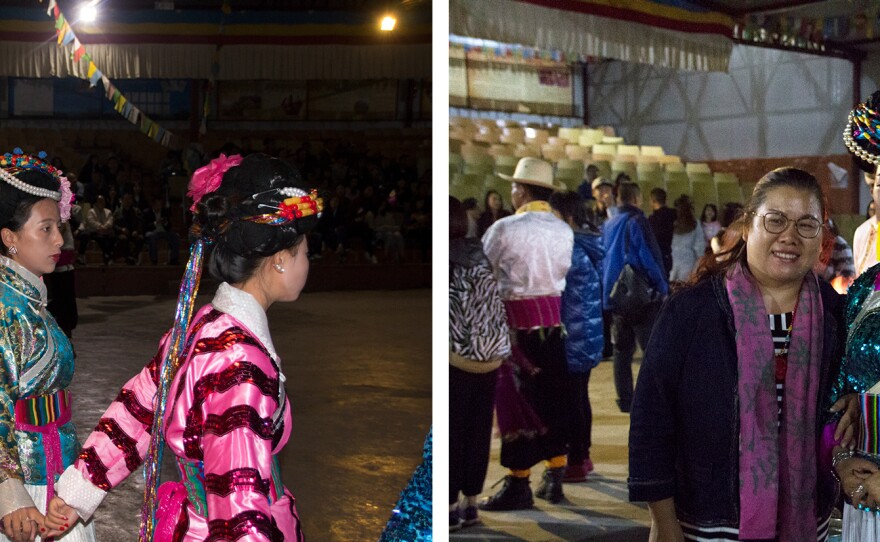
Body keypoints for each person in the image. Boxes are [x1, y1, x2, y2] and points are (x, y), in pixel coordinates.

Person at [46, 153, 321, 539]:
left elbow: (139, 409)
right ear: (278, 260)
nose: (308, 262)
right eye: (305, 251)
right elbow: (238, 502)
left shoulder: (202, 326)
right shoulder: (241, 363)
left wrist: (79, 490)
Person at [629, 167, 857, 541]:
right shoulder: (692, 311)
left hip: (806, 525)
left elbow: (859, 392)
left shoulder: (837, 316)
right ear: (749, 225)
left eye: (806, 225)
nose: (789, 236)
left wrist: (858, 401)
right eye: (775, 220)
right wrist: (663, 520)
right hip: (706, 525)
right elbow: (652, 421)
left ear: (822, 239)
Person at [0, 148, 95, 541]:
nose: (59, 239)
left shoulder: (32, 301)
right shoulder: (5, 308)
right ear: (10, 238)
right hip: (25, 492)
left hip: (59, 473)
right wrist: (8, 492)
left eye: (59, 227)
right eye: (46, 229)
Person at [479, 157, 573, 510]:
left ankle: (519, 482)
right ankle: (555, 475)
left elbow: (486, 270)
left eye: (513, 187)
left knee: (518, 404)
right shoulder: (563, 229)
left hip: (517, 329)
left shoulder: (505, 229)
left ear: (520, 190)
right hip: (554, 325)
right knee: (554, 399)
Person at [449, 196, 510, 531]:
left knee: (452, 434)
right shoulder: (479, 255)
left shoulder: (446, 259)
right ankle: (471, 505)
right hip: (488, 360)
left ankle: (448, 507)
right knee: (478, 433)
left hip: (456, 361)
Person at [548, 190, 604, 484]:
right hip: (588, 332)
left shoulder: (570, 248)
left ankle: (577, 460)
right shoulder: (588, 241)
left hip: (573, 334)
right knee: (580, 396)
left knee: (572, 400)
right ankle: (584, 455)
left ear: (566, 216)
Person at [602, 182, 668, 413]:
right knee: (651, 350)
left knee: (621, 351)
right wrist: (662, 287)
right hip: (639, 295)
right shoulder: (637, 221)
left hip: (615, 295)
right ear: (637, 199)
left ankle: (626, 400)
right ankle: (652, 400)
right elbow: (648, 257)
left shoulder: (608, 223)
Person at [669, 194, 706, 283]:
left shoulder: (669, 222)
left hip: (671, 262)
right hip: (688, 263)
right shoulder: (695, 223)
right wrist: (697, 268)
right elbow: (699, 248)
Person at [814, 218, 855, 294]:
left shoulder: (839, 244)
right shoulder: (814, 245)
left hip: (836, 293)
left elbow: (847, 276)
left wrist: (823, 269)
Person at [142, 197, 180, 266]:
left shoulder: (164, 212)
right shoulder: (147, 212)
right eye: (157, 205)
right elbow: (144, 226)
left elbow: (169, 226)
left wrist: (165, 223)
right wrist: (155, 223)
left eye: (160, 205)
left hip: (163, 231)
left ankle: (173, 259)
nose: (159, 207)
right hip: (152, 231)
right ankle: (154, 260)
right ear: (153, 205)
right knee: (152, 237)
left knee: (175, 237)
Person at [647, 187, 676, 277]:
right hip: (672, 255)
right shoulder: (674, 214)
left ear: (653, 201)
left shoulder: (652, 220)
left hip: (658, 256)